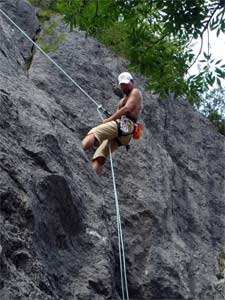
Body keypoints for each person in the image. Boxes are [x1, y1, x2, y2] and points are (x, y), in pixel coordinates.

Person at [82, 72, 142, 175]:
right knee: (101, 153)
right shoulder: (124, 99)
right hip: (125, 132)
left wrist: (109, 119)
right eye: (122, 85)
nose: (124, 86)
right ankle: (91, 175)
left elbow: (127, 109)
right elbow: (123, 111)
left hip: (126, 125)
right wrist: (113, 117)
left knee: (96, 132)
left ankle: (77, 150)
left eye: (126, 84)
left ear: (132, 82)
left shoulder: (135, 92)